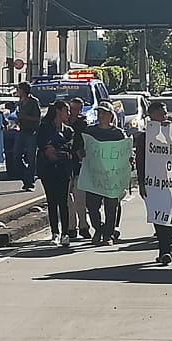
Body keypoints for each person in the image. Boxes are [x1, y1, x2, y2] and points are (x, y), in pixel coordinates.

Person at [77, 101, 126, 246]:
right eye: (99, 113)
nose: (102, 115)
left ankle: (108, 234)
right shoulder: (89, 131)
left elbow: (125, 152)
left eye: (105, 113)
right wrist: (81, 153)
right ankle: (99, 228)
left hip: (112, 176)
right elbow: (81, 150)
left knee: (111, 206)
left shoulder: (117, 133)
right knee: (92, 206)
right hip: (94, 176)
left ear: (111, 116)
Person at [136, 100, 172, 265]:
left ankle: (168, 251)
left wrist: (168, 135)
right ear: (151, 116)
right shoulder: (144, 138)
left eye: (164, 113)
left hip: (169, 183)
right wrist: (141, 183)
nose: (163, 116)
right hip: (152, 184)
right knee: (158, 218)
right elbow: (140, 161)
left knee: (169, 217)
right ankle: (164, 249)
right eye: (159, 113)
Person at [35, 100, 75, 246]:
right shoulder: (44, 127)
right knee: (51, 201)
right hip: (48, 168)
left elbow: (69, 146)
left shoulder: (69, 130)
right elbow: (41, 143)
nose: (68, 114)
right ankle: (55, 233)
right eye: (66, 111)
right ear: (58, 111)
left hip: (63, 168)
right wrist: (48, 149)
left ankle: (65, 233)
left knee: (63, 202)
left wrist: (55, 149)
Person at [66, 97, 91, 239]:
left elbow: (86, 144)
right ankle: (71, 227)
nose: (73, 112)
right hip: (65, 165)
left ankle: (83, 226)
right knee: (67, 199)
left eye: (76, 109)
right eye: (71, 109)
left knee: (80, 198)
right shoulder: (62, 123)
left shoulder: (83, 125)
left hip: (79, 165)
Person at [14, 82, 42, 192]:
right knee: (16, 157)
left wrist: (25, 117)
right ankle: (26, 175)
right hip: (22, 131)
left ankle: (29, 182)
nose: (18, 91)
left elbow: (37, 118)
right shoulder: (20, 102)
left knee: (31, 158)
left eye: (19, 89)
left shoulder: (33, 102)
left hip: (32, 132)